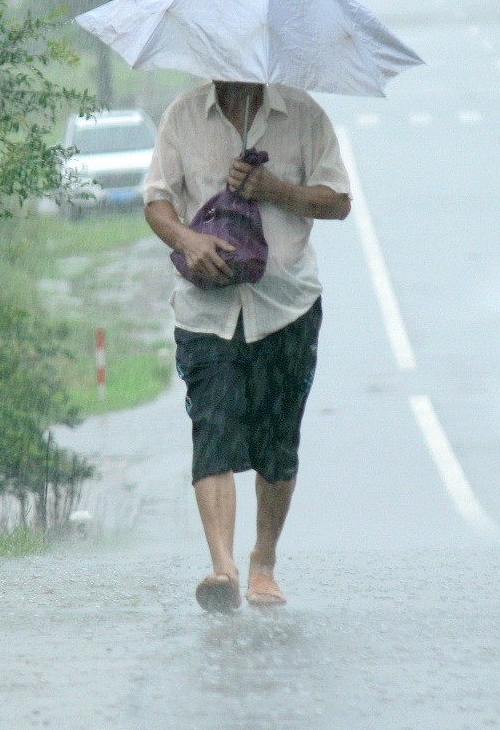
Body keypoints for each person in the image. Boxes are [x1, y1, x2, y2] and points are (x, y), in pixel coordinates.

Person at [142, 80, 351, 612]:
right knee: (213, 428)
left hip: (287, 307)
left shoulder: (304, 115)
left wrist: (274, 189)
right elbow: (157, 199)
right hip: (205, 311)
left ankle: (264, 563)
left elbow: (338, 201)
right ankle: (223, 568)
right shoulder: (184, 114)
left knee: (277, 445)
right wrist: (186, 239)